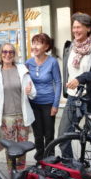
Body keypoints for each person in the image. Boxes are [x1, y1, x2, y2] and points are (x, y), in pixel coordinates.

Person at [58, 12, 91, 179]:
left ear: (88, 28)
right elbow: (67, 70)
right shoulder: (69, 47)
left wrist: (80, 79)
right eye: (74, 27)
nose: (75, 30)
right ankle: (72, 168)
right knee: (63, 135)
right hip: (73, 99)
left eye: (79, 27)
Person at [0, 43, 36, 172]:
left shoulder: (22, 69)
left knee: (22, 146)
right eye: (5, 52)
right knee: (10, 147)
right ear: (1, 54)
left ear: (14, 54)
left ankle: (21, 171)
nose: (8, 54)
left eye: (11, 52)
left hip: (23, 116)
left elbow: (34, 93)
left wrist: (29, 91)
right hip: (6, 117)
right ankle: (11, 172)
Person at [26, 33, 62, 161]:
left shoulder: (52, 62)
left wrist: (55, 104)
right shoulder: (28, 62)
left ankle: (50, 159)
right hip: (33, 103)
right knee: (37, 134)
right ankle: (40, 159)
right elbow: (23, 80)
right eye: (33, 43)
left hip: (48, 103)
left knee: (49, 134)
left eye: (38, 43)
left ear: (46, 46)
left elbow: (58, 83)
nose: (34, 46)